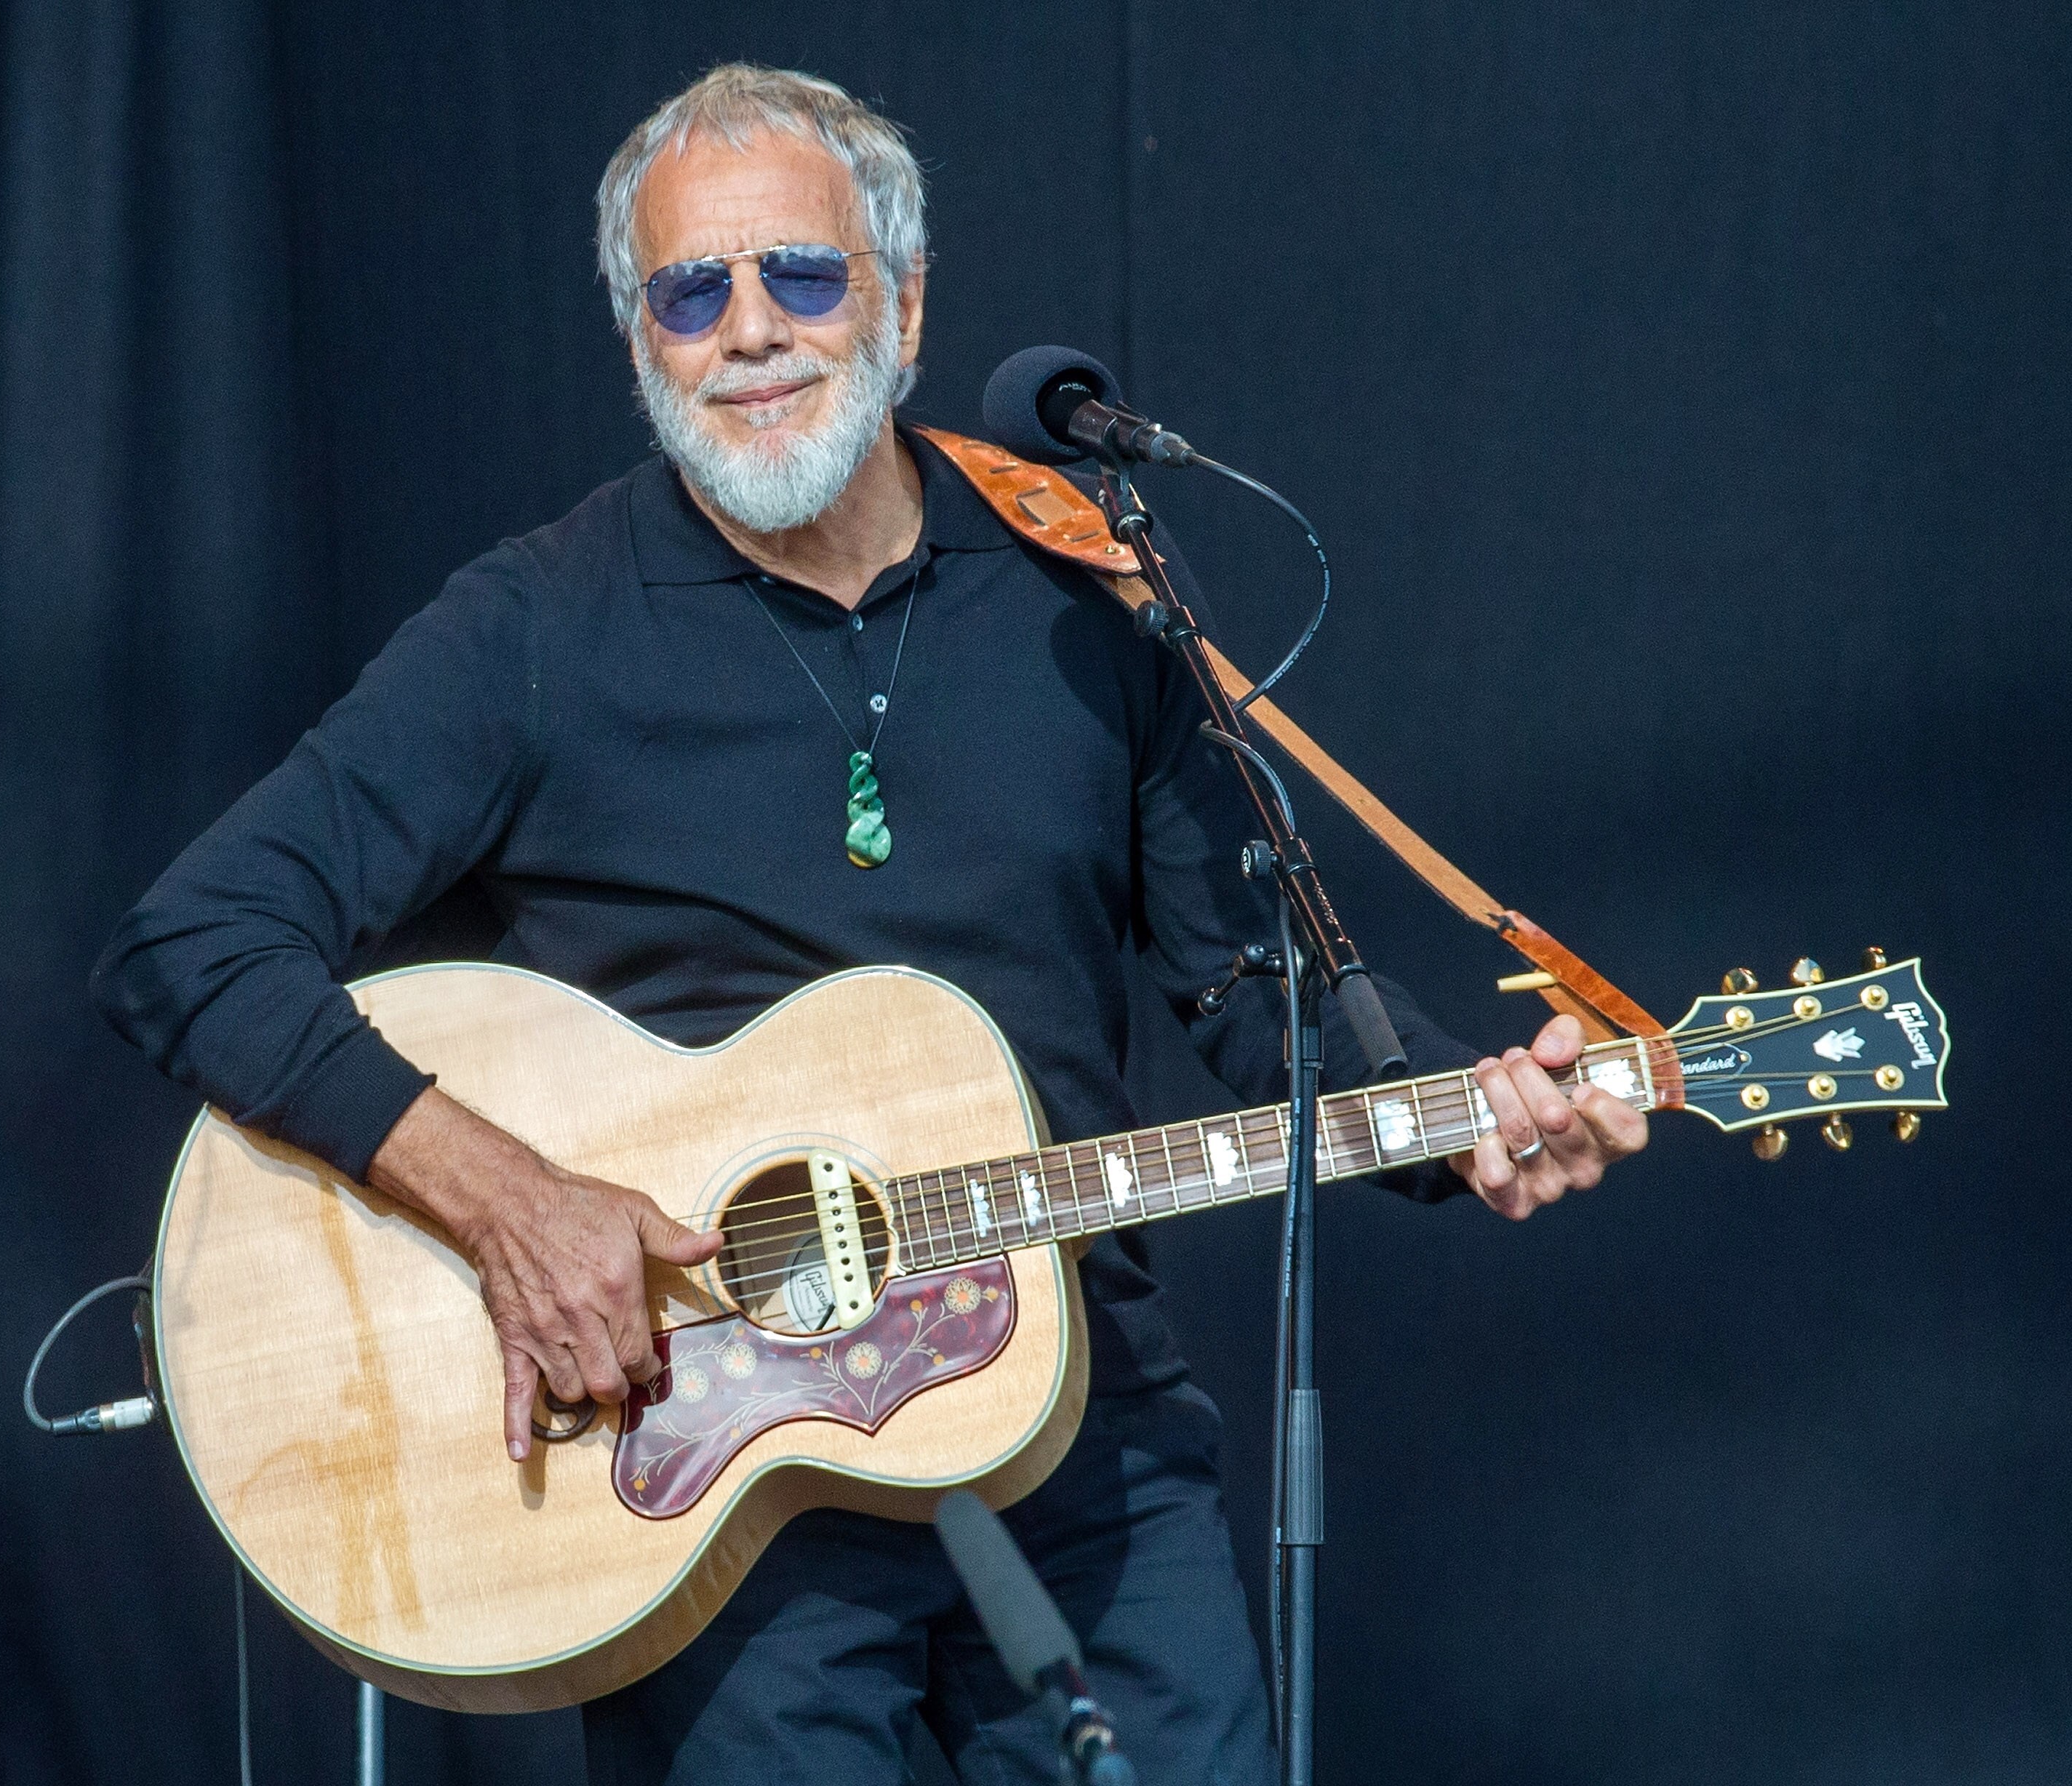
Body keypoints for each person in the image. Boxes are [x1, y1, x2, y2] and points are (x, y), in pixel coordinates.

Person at [92, 63, 1647, 1784]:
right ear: (642, 345)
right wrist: (512, 1199)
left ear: (905, 309)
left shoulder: (1082, 585)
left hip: (1079, 1435)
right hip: (711, 1477)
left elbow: (1251, 981)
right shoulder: (531, 628)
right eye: (693, 293)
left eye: (802, 276)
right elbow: (191, 941)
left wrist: (1467, 1116)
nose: (751, 328)